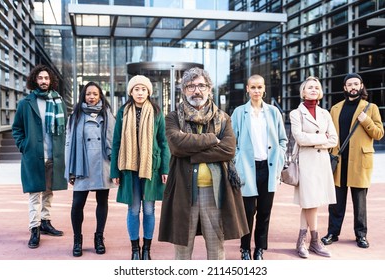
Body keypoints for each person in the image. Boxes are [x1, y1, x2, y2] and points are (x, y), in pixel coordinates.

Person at [158, 67, 249, 260]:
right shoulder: (173, 118)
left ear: (209, 89)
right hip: (183, 190)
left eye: (201, 85)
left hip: (215, 191)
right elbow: (176, 146)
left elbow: (228, 150)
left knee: (216, 249)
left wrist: (191, 153)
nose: (196, 90)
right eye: (190, 86)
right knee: (182, 250)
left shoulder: (223, 118)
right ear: (183, 90)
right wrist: (211, 139)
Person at [111, 75, 170, 260]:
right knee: (134, 209)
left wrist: (165, 169)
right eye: (136, 89)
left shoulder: (156, 112)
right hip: (129, 169)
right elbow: (116, 142)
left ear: (148, 92)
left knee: (149, 210)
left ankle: (147, 250)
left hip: (151, 167)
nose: (140, 92)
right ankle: (135, 249)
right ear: (130, 91)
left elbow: (163, 142)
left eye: (143, 89)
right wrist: (115, 170)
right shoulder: (123, 112)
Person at [321, 73, 384, 249]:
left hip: (360, 161)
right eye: (350, 84)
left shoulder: (370, 108)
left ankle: (361, 235)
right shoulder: (335, 108)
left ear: (361, 85)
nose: (353, 87)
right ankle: (333, 233)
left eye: (356, 83)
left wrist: (366, 121)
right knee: (336, 203)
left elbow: (379, 133)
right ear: (345, 88)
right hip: (339, 161)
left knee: (360, 203)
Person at [231, 74, 287, 260]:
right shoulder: (239, 112)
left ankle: (259, 249)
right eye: (253, 87)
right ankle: (245, 248)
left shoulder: (273, 112)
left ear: (264, 89)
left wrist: (279, 160)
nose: (256, 91)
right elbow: (232, 142)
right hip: (247, 167)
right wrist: (237, 161)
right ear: (247, 89)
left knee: (264, 211)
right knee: (247, 212)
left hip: (268, 168)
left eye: (259, 87)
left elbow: (282, 140)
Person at [12, 64, 67, 249]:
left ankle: (45, 221)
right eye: (41, 78)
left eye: (47, 78)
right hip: (33, 155)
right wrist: (23, 146)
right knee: (35, 193)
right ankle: (34, 229)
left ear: (51, 81)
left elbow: (64, 128)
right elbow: (17, 128)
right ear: (35, 80)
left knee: (48, 191)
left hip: (53, 155)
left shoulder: (58, 101)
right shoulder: (26, 103)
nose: (44, 81)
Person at [64, 82, 116, 257]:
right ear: (83, 96)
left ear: (100, 95)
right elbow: (69, 144)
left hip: (103, 164)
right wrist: (69, 169)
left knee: (103, 202)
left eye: (95, 94)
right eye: (88, 94)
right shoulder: (75, 116)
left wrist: (116, 168)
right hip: (81, 165)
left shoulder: (108, 115)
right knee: (77, 204)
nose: (92, 97)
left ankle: (99, 238)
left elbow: (115, 142)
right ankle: (77, 240)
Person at [289, 76, 338, 258]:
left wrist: (315, 140)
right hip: (306, 163)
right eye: (310, 87)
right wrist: (322, 139)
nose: (313, 90)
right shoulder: (296, 113)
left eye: (316, 87)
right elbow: (299, 138)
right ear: (303, 91)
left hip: (322, 163)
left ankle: (306, 242)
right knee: (310, 202)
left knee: (312, 203)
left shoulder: (325, 113)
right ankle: (313, 242)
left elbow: (334, 139)